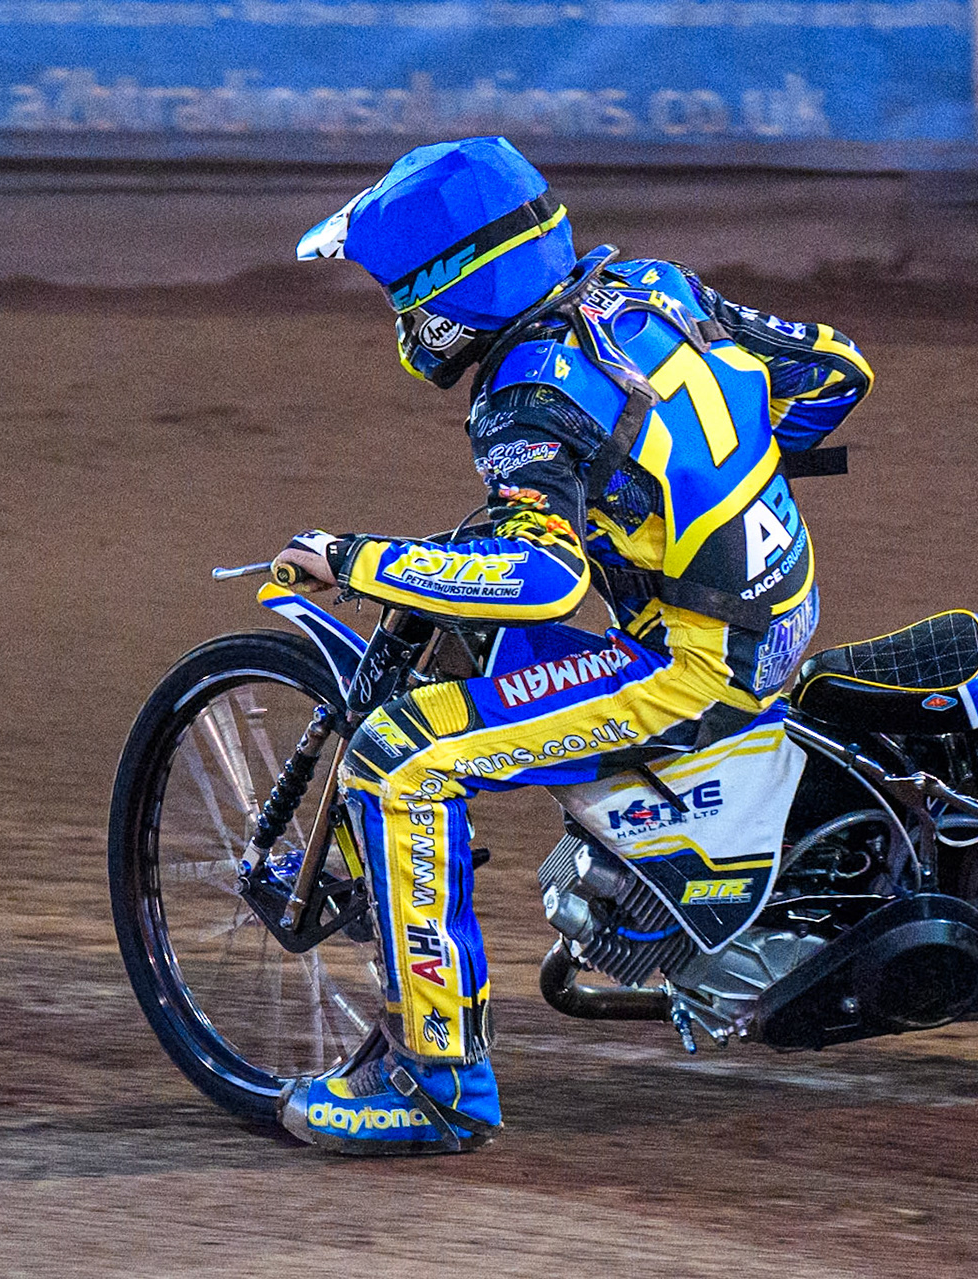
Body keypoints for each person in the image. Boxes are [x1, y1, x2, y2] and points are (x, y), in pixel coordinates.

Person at [271, 136, 874, 1154]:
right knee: (490, 645)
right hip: (780, 613)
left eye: (398, 294)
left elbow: (544, 580)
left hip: (693, 662)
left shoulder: (526, 391)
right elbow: (833, 374)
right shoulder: (649, 287)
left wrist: (352, 558)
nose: (399, 320)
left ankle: (434, 1082)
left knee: (398, 759)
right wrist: (686, 479)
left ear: (451, 284)